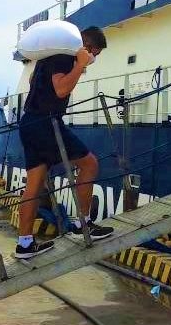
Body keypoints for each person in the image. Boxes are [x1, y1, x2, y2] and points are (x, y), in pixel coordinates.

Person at [14, 26, 114, 259]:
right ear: (86, 46)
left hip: (30, 122)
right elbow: (60, 90)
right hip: (47, 123)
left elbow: (33, 80)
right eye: (94, 53)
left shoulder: (49, 57)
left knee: (34, 185)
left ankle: (24, 244)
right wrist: (79, 65)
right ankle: (83, 224)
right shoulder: (65, 57)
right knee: (89, 164)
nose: (93, 59)